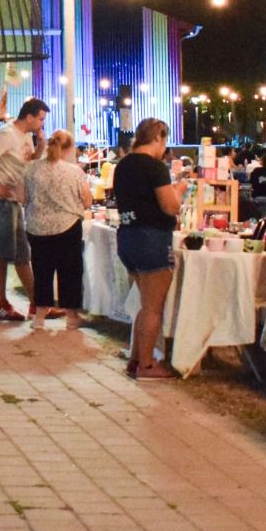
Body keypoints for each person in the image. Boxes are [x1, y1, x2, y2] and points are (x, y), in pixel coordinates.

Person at [114, 118, 188, 381]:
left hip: (127, 237)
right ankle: (146, 365)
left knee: (144, 304)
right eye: (164, 141)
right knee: (153, 307)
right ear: (157, 137)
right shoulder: (154, 168)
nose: (164, 147)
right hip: (152, 238)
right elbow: (170, 206)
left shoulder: (122, 166)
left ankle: (135, 359)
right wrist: (179, 189)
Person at [0, 98, 48, 322]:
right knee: (2, 254)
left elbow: (28, 160)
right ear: (29, 117)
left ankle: (36, 304)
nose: (42, 124)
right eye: (41, 119)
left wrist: (41, 147)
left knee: (22, 255)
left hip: (14, 199)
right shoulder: (7, 134)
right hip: (0, 201)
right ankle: (1, 304)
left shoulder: (27, 135)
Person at [23, 130, 91, 330]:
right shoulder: (74, 172)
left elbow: (22, 197)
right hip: (67, 226)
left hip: (37, 227)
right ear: (69, 149)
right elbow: (87, 200)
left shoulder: (31, 169)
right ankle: (71, 317)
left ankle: (40, 318)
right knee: (69, 271)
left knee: (42, 271)